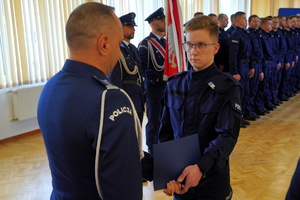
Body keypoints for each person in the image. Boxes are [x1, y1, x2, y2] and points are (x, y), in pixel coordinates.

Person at [37, 3, 144, 199]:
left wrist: (166, 167)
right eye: (119, 43)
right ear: (104, 44)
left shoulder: (51, 87)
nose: (120, 51)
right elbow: (124, 187)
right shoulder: (110, 99)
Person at [160, 16, 242, 200]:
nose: (193, 51)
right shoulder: (175, 84)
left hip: (211, 181)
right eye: (189, 44)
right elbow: (165, 133)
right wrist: (165, 174)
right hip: (180, 180)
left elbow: (227, 135)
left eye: (201, 45)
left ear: (215, 48)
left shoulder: (227, 87)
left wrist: (200, 167)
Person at [108, 12, 145, 125]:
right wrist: (119, 103)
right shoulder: (115, 50)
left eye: (133, 26)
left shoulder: (133, 48)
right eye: (129, 27)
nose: (133, 29)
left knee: (138, 132)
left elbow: (139, 73)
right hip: (126, 99)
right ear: (120, 28)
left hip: (138, 98)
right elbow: (114, 80)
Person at [138, 7, 166, 154]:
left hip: (167, 88)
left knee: (165, 119)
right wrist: (157, 77)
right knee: (154, 121)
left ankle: (163, 145)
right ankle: (152, 148)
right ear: (154, 23)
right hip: (154, 89)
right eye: (162, 20)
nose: (165, 22)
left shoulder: (166, 43)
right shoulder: (145, 44)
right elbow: (141, 68)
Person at [229, 11, 253, 128]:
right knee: (238, 95)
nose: (246, 21)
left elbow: (249, 52)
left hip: (245, 65)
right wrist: (235, 72)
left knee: (245, 93)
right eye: (244, 19)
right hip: (239, 66)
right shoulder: (236, 34)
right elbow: (232, 56)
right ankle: (236, 119)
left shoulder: (244, 33)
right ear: (238, 20)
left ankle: (241, 116)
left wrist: (251, 67)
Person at [246, 15, 264, 118]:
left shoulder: (258, 34)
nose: (256, 23)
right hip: (252, 65)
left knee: (256, 88)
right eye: (254, 21)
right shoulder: (248, 34)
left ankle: (254, 109)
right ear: (249, 22)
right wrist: (251, 66)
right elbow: (250, 52)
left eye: (258, 21)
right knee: (251, 89)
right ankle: (249, 112)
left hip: (258, 64)